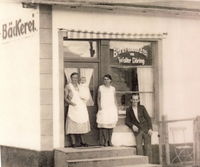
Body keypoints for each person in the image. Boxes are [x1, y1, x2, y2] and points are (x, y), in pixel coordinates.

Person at [125, 93, 153, 163]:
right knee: (139, 147)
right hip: (137, 131)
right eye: (133, 100)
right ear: (131, 100)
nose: (135, 101)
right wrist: (132, 126)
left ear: (138, 100)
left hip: (146, 129)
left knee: (148, 147)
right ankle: (141, 164)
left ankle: (149, 163)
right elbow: (127, 121)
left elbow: (148, 118)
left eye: (136, 100)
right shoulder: (128, 109)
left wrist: (150, 128)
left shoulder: (142, 107)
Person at [65, 72, 90, 147]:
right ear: (71, 78)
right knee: (72, 125)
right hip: (73, 107)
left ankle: (83, 142)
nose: (75, 79)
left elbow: (85, 96)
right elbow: (65, 98)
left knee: (81, 124)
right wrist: (71, 103)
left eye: (76, 78)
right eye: (73, 78)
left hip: (81, 107)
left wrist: (84, 100)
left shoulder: (80, 86)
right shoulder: (68, 86)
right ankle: (73, 143)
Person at [96, 74, 118, 146]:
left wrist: (116, 108)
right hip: (103, 108)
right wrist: (99, 106)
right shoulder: (101, 88)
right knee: (104, 125)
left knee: (111, 125)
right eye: (104, 79)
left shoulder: (113, 88)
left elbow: (114, 99)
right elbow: (98, 98)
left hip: (111, 108)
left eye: (107, 79)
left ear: (110, 80)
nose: (106, 81)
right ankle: (105, 141)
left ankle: (110, 141)